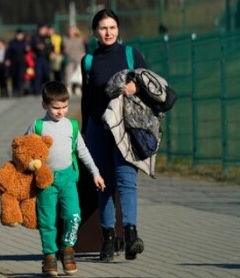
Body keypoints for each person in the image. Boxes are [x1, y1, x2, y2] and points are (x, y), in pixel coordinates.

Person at [80, 8, 147, 262]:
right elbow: (87, 99)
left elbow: (151, 84)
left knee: (126, 180)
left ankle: (131, 236)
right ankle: (107, 240)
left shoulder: (131, 55)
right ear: (95, 31)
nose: (108, 32)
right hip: (98, 129)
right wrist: (85, 131)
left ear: (118, 30)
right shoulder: (88, 61)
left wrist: (135, 86)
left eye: (112, 27)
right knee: (104, 184)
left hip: (126, 129)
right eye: (103, 28)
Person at [25, 81, 105, 276]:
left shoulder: (72, 126)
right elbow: (25, 152)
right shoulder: (37, 126)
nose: (61, 112)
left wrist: (95, 173)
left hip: (68, 178)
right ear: (44, 105)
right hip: (45, 182)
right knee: (48, 220)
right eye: (56, 107)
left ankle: (68, 249)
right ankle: (50, 257)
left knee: (73, 215)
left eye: (64, 107)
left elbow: (83, 151)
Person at [63, 26, 86, 96]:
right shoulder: (65, 39)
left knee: (78, 74)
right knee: (68, 73)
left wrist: (83, 56)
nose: (71, 32)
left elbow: (83, 49)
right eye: (70, 31)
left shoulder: (79, 39)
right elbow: (65, 49)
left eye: (73, 31)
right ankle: (68, 87)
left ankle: (77, 88)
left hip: (79, 58)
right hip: (69, 58)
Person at [31, 24, 53, 95]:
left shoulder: (48, 37)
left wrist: (50, 52)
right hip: (38, 58)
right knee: (38, 74)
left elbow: (51, 46)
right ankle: (37, 90)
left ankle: (47, 90)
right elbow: (32, 45)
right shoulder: (36, 37)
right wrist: (37, 46)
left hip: (46, 58)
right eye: (44, 29)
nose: (46, 30)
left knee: (46, 74)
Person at [5, 29, 27, 97]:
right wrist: (7, 59)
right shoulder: (12, 43)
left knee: (20, 76)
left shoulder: (24, 43)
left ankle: (20, 90)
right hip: (13, 62)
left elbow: (26, 52)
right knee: (14, 76)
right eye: (19, 35)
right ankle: (15, 90)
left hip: (21, 62)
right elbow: (8, 52)